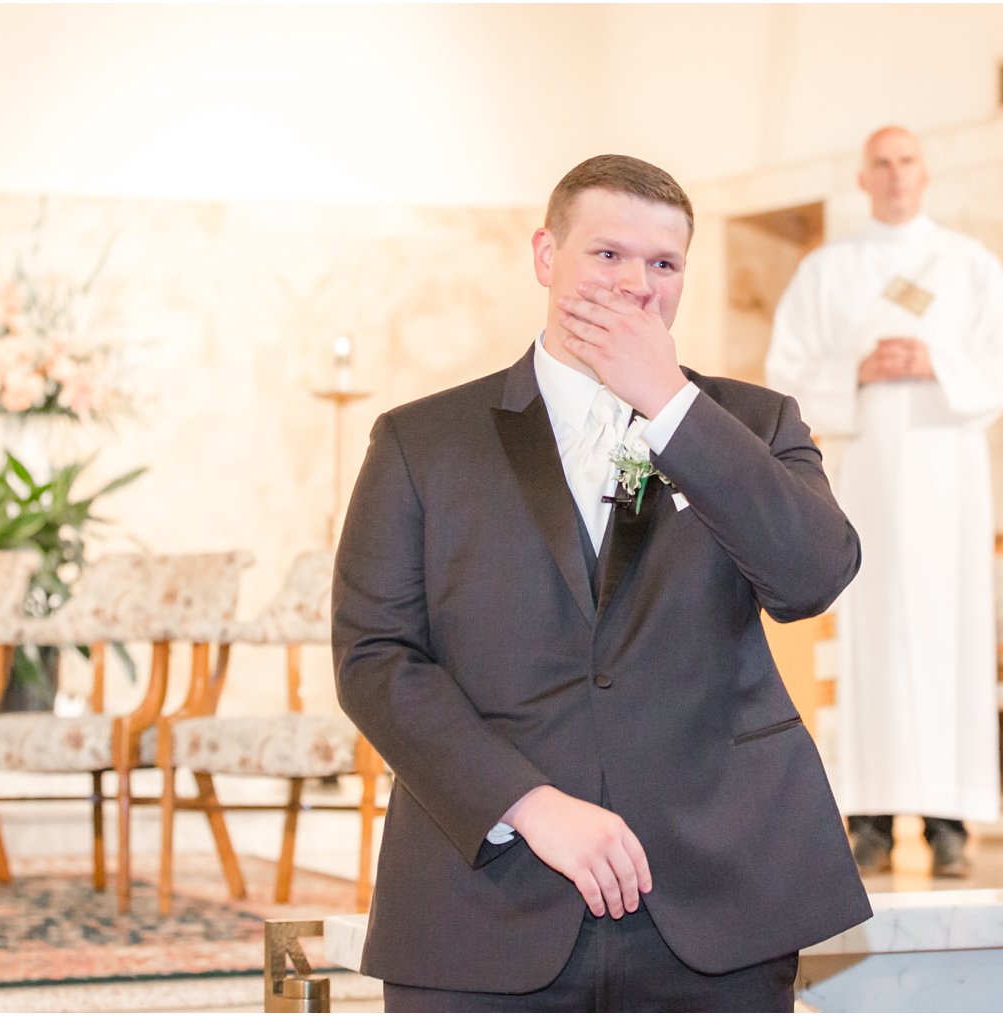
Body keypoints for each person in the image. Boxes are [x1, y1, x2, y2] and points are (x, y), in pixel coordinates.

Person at [333, 154, 872, 1012]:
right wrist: (529, 803)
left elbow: (811, 576)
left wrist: (669, 404)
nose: (636, 286)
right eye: (608, 256)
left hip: (713, 893)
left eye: (664, 265)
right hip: (490, 896)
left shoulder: (754, 424)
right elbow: (376, 659)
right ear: (547, 257)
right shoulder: (422, 442)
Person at [764, 126, 1003, 877]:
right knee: (871, 639)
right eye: (880, 163)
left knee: (951, 636)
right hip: (868, 480)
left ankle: (950, 823)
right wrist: (857, 369)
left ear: (925, 173)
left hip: (949, 480)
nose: (894, 175)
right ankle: (871, 819)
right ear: (862, 178)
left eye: (906, 161)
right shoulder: (828, 270)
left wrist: (936, 361)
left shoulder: (968, 264)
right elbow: (783, 367)